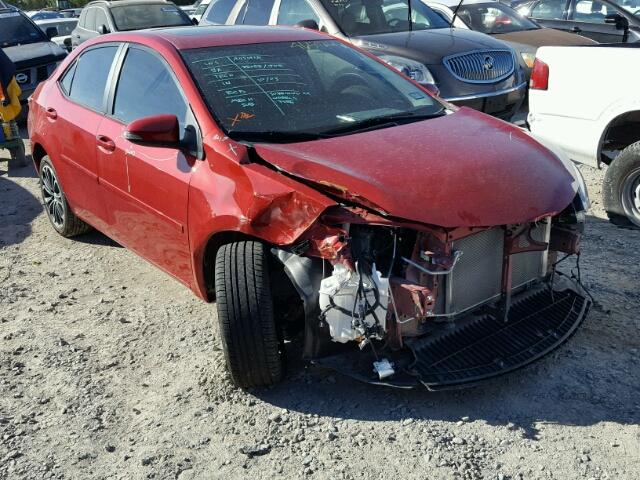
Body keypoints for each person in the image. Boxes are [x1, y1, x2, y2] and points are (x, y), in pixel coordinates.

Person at [0, 48, 22, 139]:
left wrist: (5, 97)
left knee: (7, 113)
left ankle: (11, 136)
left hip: (5, 82)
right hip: (6, 78)